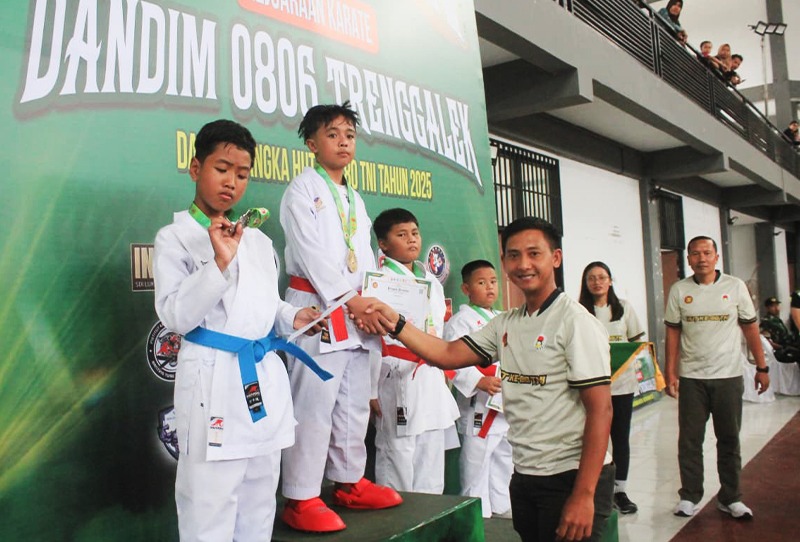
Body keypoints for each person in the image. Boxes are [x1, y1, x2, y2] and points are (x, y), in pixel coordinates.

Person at [365, 217, 615, 542]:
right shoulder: (506, 323)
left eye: (534, 254)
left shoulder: (576, 322)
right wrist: (396, 322)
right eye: (513, 255)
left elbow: (601, 411)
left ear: (555, 258)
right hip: (527, 474)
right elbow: (448, 354)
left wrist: (584, 495)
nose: (523, 264)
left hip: (570, 477)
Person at [153, 119, 325, 541]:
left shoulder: (259, 242)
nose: (232, 182)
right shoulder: (175, 238)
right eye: (221, 168)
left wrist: (292, 318)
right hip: (212, 380)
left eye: (242, 174)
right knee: (208, 505)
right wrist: (219, 264)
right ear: (196, 168)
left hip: (262, 377)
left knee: (259, 499)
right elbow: (176, 316)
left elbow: (265, 305)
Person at [279, 102, 402, 533]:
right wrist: (354, 301)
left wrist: (369, 299)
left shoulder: (354, 196)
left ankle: (350, 482)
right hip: (318, 307)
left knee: (352, 402)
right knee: (314, 403)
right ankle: (300, 496)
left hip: (356, 309)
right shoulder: (301, 190)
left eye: (349, 134)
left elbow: (363, 255)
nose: (344, 141)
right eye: (333, 134)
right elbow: (313, 257)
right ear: (312, 144)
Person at [664, 236, 769, 520]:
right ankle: (689, 496)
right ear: (688, 259)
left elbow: (750, 328)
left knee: (729, 439)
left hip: (728, 376)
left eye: (707, 253)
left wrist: (762, 366)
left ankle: (731, 497)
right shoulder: (679, 290)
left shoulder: (735, 287)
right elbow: (673, 332)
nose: (701, 258)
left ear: (716, 257)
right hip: (692, 379)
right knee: (689, 441)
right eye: (695, 254)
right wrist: (670, 371)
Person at [369, 208, 460, 494]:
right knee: (398, 454)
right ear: (383, 244)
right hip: (396, 375)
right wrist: (369, 388)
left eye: (415, 233)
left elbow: (439, 334)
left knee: (431, 454)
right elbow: (369, 339)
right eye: (402, 234)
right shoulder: (377, 281)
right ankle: (398, 526)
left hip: (430, 374)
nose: (412, 240)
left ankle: (430, 522)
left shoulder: (430, 280)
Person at [444, 260, 513, 519]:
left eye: (493, 282)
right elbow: (451, 358)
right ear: (466, 288)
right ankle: (477, 513)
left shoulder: (503, 318)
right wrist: (478, 381)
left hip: (504, 402)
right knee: (476, 463)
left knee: (504, 456)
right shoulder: (461, 322)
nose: (489, 288)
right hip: (479, 405)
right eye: (481, 283)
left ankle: (501, 503)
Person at [578, 262, 645, 516]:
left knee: (620, 438)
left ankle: (620, 490)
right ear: (585, 283)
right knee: (593, 439)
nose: (597, 282)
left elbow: (636, 343)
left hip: (622, 386)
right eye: (591, 278)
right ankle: (592, 489)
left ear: (610, 280)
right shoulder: (579, 311)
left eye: (602, 277)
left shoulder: (624, 309)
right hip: (589, 387)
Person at [762, 296, 800, 365]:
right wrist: (782, 347)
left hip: (789, 346)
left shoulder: (778, 320)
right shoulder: (766, 322)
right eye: (773, 306)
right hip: (780, 350)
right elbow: (766, 341)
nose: (776, 308)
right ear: (767, 308)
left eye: (777, 305)